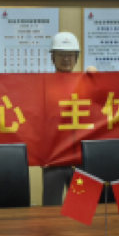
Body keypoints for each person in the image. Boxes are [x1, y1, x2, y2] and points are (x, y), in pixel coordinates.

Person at [42, 32, 97, 205]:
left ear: (76, 58)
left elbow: (104, 102)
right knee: (51, 209)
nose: (66, 59)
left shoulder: (86, 82)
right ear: (52, 57)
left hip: (81, 157)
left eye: (70, 55)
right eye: (61, 54)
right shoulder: (42, 84)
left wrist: (98, 78)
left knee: (81, 208)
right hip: (53, 158)